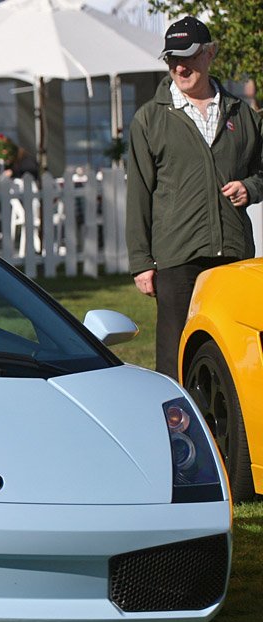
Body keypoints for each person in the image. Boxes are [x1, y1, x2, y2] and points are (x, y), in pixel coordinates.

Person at [126, 16, 263, 380]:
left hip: (232, 253)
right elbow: (139, 191)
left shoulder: (242, 114)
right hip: (177, 257)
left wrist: (251, 187)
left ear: (210, 54)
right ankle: (176, 430)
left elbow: (262, 171)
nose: (179, 67)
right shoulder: (149, 119)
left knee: (233, 352)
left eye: (187, 56)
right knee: (174, 359)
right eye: (172, 59)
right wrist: (142, 261)